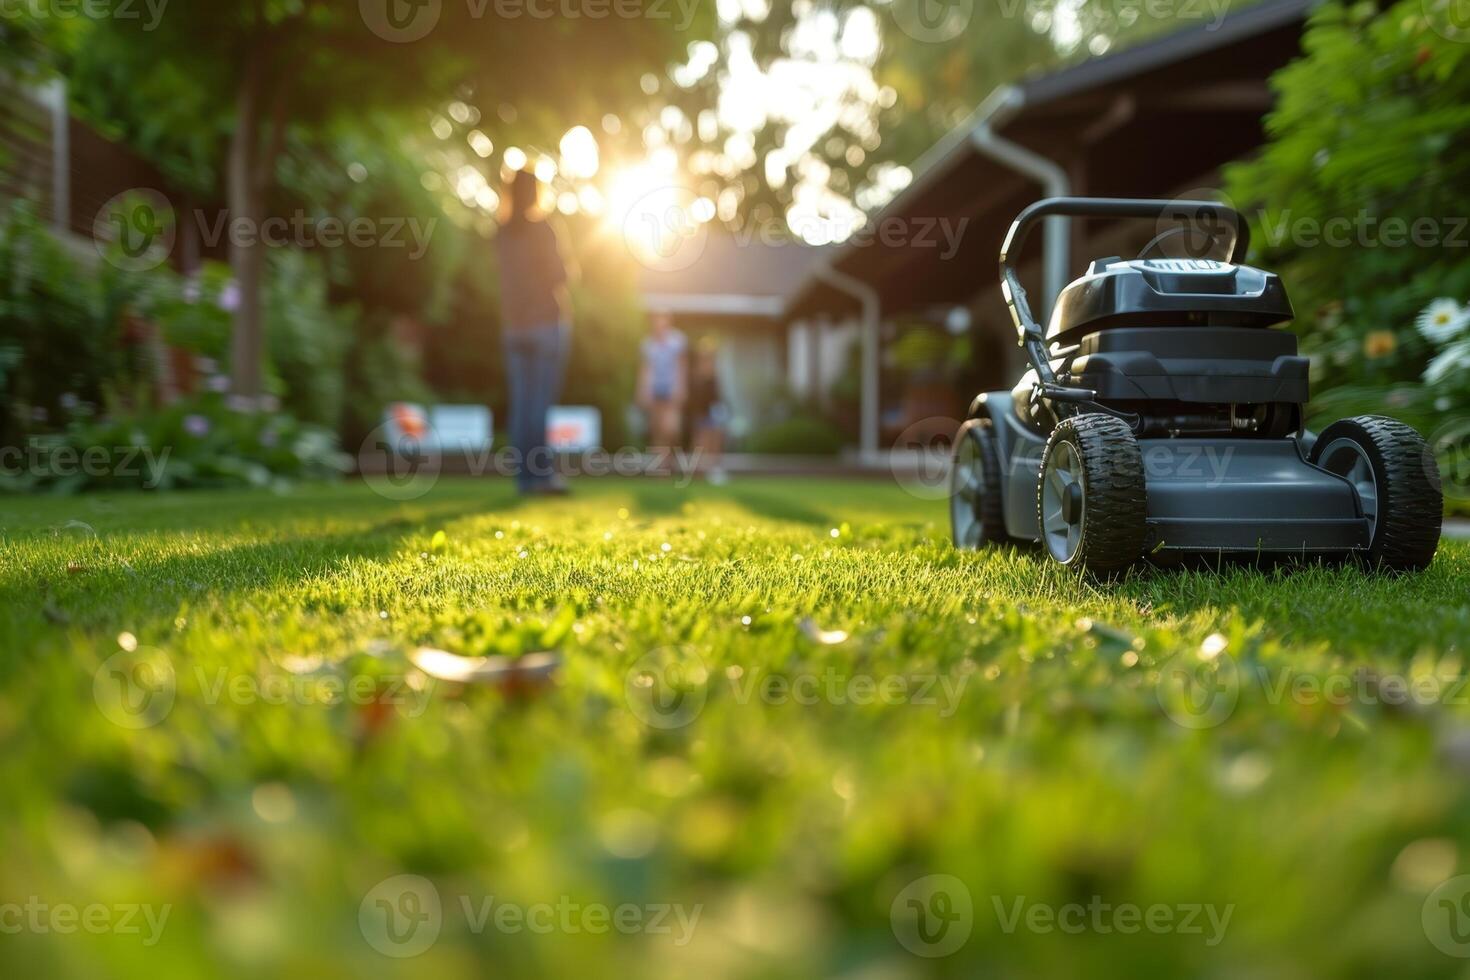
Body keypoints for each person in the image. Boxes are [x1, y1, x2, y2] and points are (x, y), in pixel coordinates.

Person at [497, 169, 573, 495]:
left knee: (521, 404)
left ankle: (524, 480)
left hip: (514, 328)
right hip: (544, 325)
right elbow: (560, 274)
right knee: (539, 403)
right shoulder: (542, 229)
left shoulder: (499, 232)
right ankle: (541, 478)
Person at [638, 312, 687, 468]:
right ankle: (659, 465)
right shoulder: (647, 344)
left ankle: (671, 460)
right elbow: (645, 369)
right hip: (655, 389)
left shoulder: (677, 341)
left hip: (671, 389)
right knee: (656, 428)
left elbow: (681, 366)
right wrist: (643, 390)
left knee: (670, 428)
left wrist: (681, 387)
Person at [686, 338, 730, 484]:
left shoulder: (715, 376)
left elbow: (717, 397)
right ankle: (697, 472)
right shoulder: (696, 376)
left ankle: (714, 469)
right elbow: (695, 399)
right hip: (700, 414)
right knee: (700, 443)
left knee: (715, 440)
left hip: (713, 413)